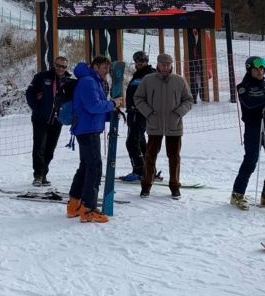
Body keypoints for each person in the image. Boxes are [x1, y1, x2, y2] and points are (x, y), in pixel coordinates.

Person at [66, 56, 123, 223]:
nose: (107, 72)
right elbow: (93, 106)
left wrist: (110, 111)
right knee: (94, 168)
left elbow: (92, 106)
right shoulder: (89, 82)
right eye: (105, 68)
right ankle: (88, 209)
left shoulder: (92, 80)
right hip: (87, 129)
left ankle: (74, 204)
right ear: (95, 67)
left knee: (85, 167)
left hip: (88, 127)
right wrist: (112, 104)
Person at [229, 56, 265, 210]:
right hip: (253, 128)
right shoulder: (243, 87)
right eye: (256, 69)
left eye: (262, 68)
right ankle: (237, 194)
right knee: (250, 161)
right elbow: (248, 104)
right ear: (249, 70)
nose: (260, 71)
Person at [134, 53, 193, 199]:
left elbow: (188, 100)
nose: (166, 67)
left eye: (168, 64)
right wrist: (149, 113)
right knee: (150, 156)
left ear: (172, 64)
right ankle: (146, 186)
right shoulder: (148, 80)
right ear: (158, 65)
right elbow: (138, 98)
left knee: (174, 157)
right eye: (163, 64)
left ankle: (174, 186)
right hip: (154, 124)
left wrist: (178, 113)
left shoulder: (179, 80)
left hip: (174, 125)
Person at [25, 56, 72, 186]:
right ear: (54, 64)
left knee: (50, 149)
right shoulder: (42, 76)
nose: (61, 69)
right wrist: (37, 108)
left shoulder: (69, 80)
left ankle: (44, 174)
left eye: (64, 67)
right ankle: (38, 175)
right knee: (39, 147)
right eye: (58, 65)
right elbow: (29, 93)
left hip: (58, 120)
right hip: (41, 119)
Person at [121, 51, 155, 182]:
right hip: (133, 112)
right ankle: (150, 170)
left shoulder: (149, 74)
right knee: (140, 142)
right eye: (137, 61)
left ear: (147, 61)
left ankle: (139, 171)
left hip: (139, 113)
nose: (139, 63)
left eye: (142, 61)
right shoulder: (139, 74)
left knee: (132, 142)